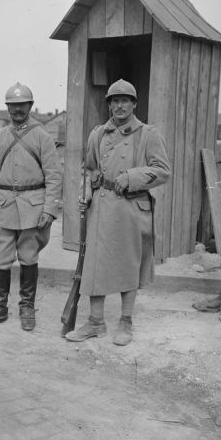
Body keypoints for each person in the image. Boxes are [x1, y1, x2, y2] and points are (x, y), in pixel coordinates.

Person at [65, 79, 171, 346]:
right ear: (109, 105)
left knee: (128, 263)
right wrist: (85, 190)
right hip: (100, 206)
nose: (119, 105)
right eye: (114, 100)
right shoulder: (97, 134)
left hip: (131, 207)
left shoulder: (148, 134)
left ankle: (126, 321)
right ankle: (95, 322)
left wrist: (132, 176)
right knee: (94, 264)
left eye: (125, 100)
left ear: (135, 104)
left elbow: (163, 171)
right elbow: (88, 168)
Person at [0, 82, 63, 332]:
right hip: (3, 207)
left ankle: (26, 307)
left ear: (30, 106)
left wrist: (49, 209)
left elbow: (54, 176)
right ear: (7, 108)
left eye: (22, 105)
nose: (17, 110)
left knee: (28, 257)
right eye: (12, 106)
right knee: (0, 259)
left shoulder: (43, 137)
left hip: (33, 208)